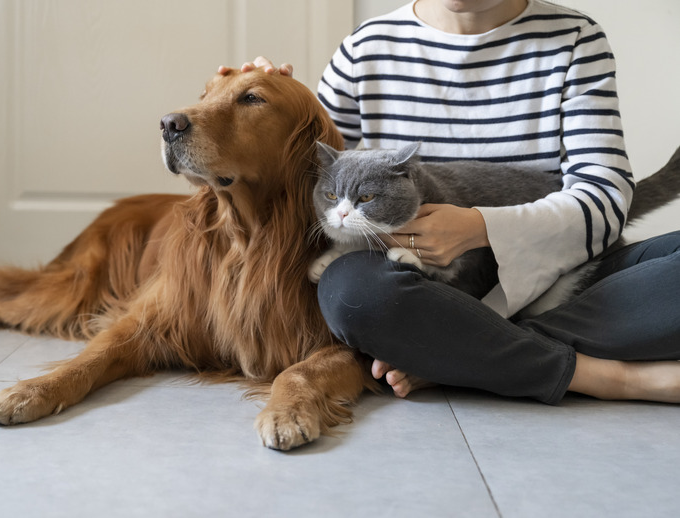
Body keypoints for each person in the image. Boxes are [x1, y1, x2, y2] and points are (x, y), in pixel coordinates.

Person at [221, 0, 680, 404]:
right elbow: (309, 170)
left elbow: (604, 196)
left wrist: (481, 228)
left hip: (560, 275)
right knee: (351, 292)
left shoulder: (575, 39)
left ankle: (461, 353)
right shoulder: (367, 48)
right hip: (423, 289)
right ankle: (608, 377)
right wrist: (260, 103)